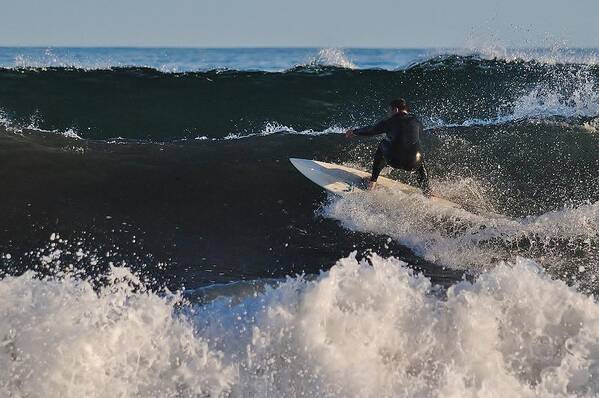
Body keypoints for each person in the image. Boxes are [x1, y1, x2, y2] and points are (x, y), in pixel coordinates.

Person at [345, 98, 432, 196]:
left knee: (383, 144)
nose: (388, 113)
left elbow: (371, 130)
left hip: (394, 160)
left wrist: (354, 132)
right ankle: (427, 191)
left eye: (389, 111)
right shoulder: (416, 121)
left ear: (395, 110)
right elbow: (418, 134)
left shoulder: (389, 121)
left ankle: (372, 182)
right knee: (418, 155)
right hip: (413, 163)